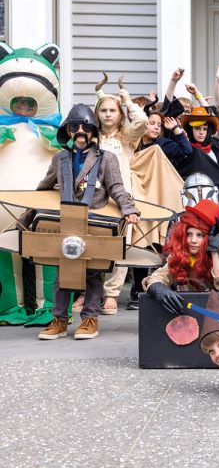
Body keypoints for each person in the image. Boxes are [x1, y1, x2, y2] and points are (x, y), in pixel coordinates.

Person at [37, 104, 141, 340]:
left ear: (94, 131)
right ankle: (59, 320)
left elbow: (117, 188)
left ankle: (90, 319)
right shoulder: (60, 158)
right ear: (69, 131)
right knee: (62, 271)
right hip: (67, 221)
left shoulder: (107, 159)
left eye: (86, 126)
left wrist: (129, 208)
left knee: (94, 272)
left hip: (95, 221)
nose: (81, 131)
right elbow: (44, 187)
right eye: (75, 126)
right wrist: (27, 214)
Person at [143, 199, 219, 324]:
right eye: (189, 234)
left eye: (199, 235)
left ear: (209, 236)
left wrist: (214, 251)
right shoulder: (182, 250)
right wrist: (157, 288)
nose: (193, 240)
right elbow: (159, 275)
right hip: (198, 307)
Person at [94, 78, 148, 315]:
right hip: (94, 197)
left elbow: (143, 121)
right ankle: (91, 292)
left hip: (121, 200)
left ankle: (112, 293)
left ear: (119, 114)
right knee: (95, 244)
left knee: (120, 246)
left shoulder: (127, 137)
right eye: (103, 110)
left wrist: (126, 100)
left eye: (112, 110)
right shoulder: (92, 136)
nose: (108, 115)